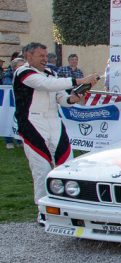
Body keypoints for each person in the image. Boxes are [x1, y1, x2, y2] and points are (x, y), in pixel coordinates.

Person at [13, 43, 99, 203]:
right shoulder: (23, 72)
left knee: (66, 163)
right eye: (41, 56)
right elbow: (45, 85)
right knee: (42, 168)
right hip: (33, 122)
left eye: (46, 56)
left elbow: (61, 97)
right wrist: (79, 80)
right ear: (29, 56)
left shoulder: (51, 72)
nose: (45, 59)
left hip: (54, 120)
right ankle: (42, 208)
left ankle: (67, 203)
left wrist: (74, 97)